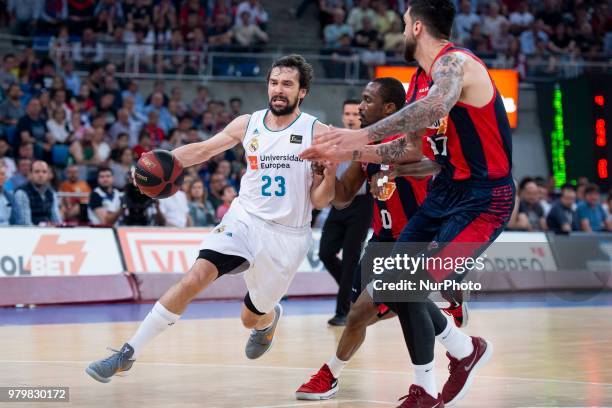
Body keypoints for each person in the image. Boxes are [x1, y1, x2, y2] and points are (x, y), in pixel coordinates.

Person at [300, 1, 515, 405]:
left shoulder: (457, 65)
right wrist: (348, 153)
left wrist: (358, 138)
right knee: (396, 287)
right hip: (445, 193)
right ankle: (463, 353)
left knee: (409, 284)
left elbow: (435, 108)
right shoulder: (419, 79)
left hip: (484, 199)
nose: (400, 32)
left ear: (416, 27)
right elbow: (410, 148)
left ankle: (434, 381)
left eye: (402, 25)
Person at [86, 55, 337, 383]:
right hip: (244, 218)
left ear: (302, 92)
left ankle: (268, 318)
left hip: (287, 236)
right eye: (274, 82)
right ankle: (127, 353)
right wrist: (153, 165)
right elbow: (204, 150)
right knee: (196, 276)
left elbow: (320, 200)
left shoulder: (317, 132)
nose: (278, 89)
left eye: (287, 84)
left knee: (251, 318)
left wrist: (327, 176)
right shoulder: (248, 123)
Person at [297, 77, 466, 400]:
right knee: (389, 307)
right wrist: (329, 170)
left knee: (361, 311)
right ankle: (460, 344)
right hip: (382, 240)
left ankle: (330, 374)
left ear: (389, 108)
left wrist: (395, 171)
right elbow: (344, 198)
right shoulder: (367, 150)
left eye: (366, 100)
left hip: (418, 240)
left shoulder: (411, 138)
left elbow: (438, 166)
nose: (359, 106)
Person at [318, 99, 372, 326]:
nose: (351, 117)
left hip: (362, 203)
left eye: (355, 114)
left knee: (350, 259)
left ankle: (342, 312)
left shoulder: (368, 139)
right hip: (338, 203)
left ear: (361, 117)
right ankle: (353, 289)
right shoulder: (334, 140)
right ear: (342, 116)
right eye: (347, 113)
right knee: (325, 252)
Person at [14, 160, 62, 226]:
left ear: (48, 175)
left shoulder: (51, 193)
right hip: (30, 233)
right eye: (37, 172)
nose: (41, 175)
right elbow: (25, 224)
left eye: (44, 172)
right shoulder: (22, 193)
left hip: (49, 232)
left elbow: (57, 219)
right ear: (30, 174)